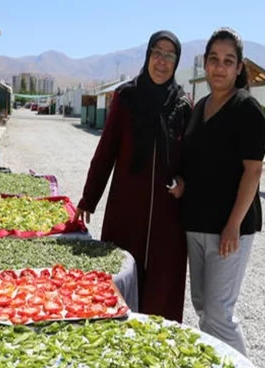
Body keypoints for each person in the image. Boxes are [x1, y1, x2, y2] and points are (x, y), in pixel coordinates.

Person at [74, 30, 192, 322]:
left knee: (162, 294)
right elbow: (106, 152)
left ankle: (158, 350)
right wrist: (89, 199)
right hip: (126, 212)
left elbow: (190, 158)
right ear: (148, 55)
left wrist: (183, 181)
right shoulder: (126, 98)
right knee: (120, 281)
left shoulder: (182, 105)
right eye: (157, 52)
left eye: (169, 55)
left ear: (176, 62)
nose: (162, 61)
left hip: (167, 220)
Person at [174, 27, 265, 355]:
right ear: (204, 63)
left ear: (239, 67)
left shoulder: (246, 110)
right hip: (196, 224)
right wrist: (182, 183)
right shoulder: (199, 107)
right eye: (213, 59)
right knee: (203, 306)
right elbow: (192, 162)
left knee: (220, 314)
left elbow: (253, 171)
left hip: (229, 230)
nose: (219, 66)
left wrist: (233, 225)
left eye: (228, 60)